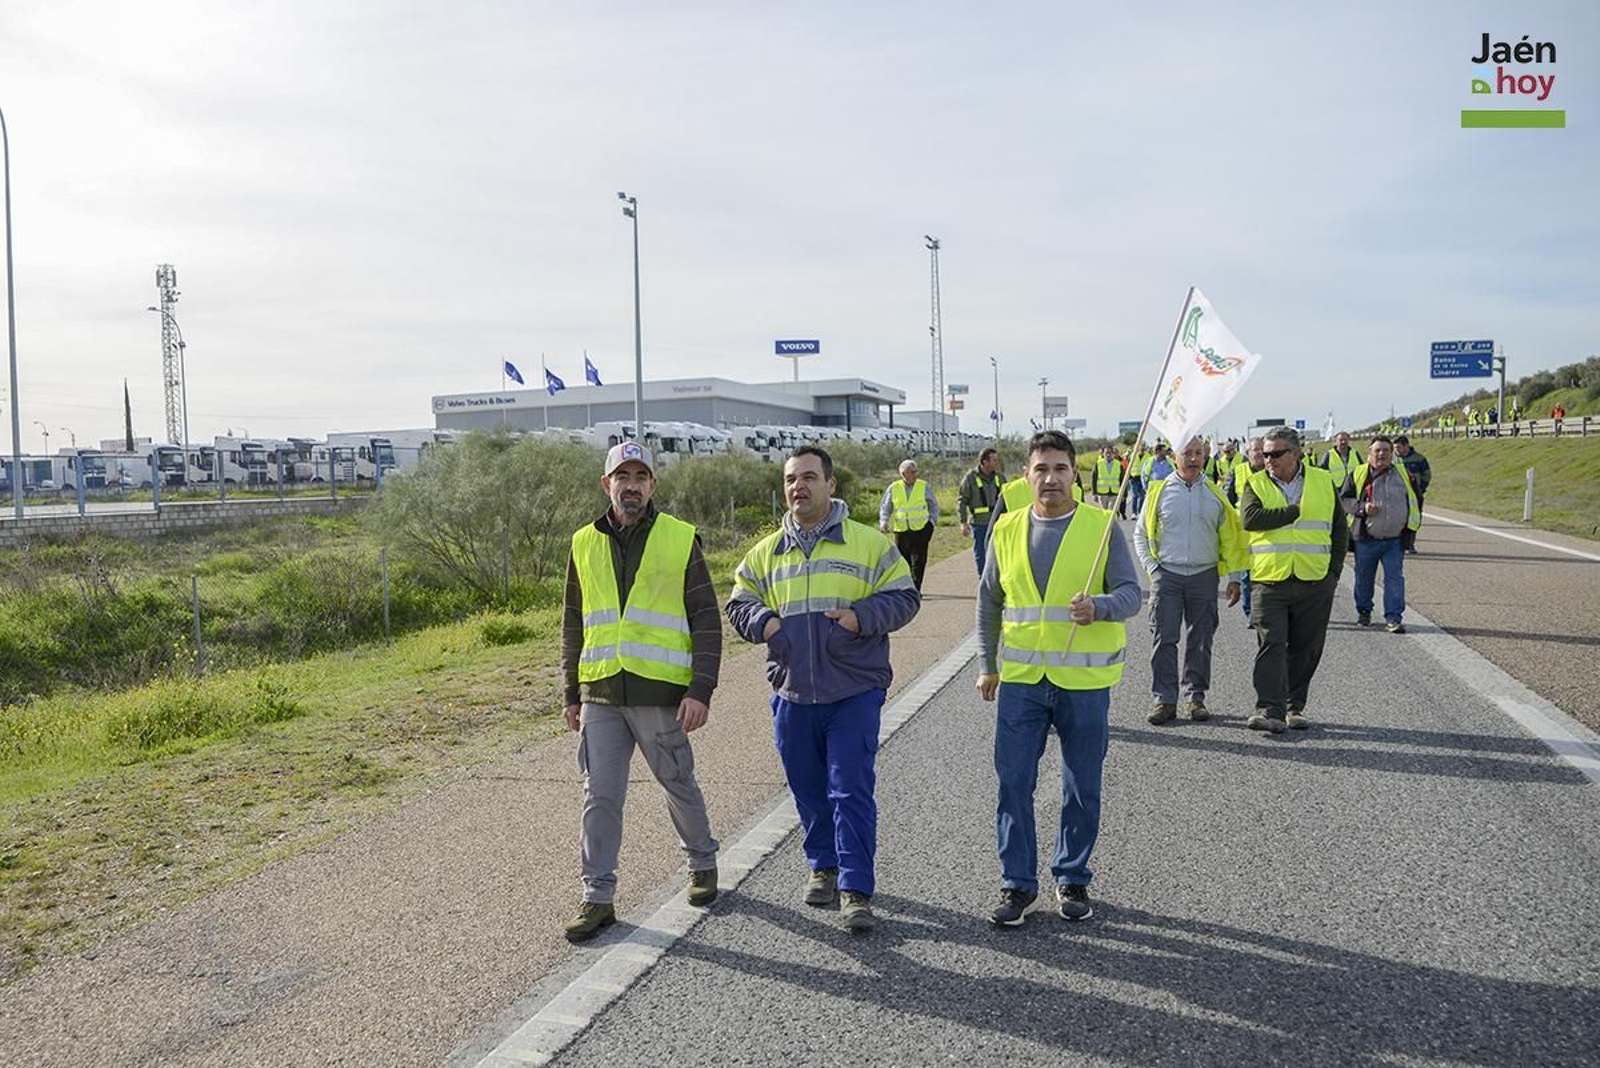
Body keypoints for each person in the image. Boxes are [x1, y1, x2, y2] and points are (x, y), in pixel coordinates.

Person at [729, 446, 921, 932]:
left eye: (810, 477)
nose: (799, 487)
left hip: (853, 689)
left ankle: (856, 889)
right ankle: (823, 866)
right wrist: (765, 623)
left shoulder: (868, 544)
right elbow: (738, 602)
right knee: (807, 787)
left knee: (849, 788)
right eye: (791, 479)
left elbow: (905, 597)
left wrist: (861, 617)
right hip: (792, 691)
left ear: (831, 485)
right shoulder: (765, 552)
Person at [975, 430, 1142, 927]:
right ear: (1026, 476)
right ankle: (1017, 884)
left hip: (1084, 683)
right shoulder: (1005, 529)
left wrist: (1101, 607)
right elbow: (989, 601)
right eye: (1041, 469)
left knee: (1081, 785)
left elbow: (1132, 594)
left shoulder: (1101, 527)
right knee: (1013, 782)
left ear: (1075, 474)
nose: (1050, 478)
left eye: (1060, 469)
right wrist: (987, 664)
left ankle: (1072, 876)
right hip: (1022, 681)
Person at [560, 441, 722, 942]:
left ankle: (702, 863)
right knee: (600, 797)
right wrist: (571, 691)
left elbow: (706, 617)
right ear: (606, 484)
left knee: (677, 781)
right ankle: (597, 897)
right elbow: (573, 621)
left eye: (640, 477)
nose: (631, 486)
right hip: (601, 693)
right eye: (622, 477)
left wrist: (701, 689)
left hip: (661, 693)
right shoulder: (583, 542)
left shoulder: (679, 538)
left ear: (653, 484)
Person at [1239, 427, 1349, 734]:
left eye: (1276, 453)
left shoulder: (1322, 481)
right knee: (1271, 643)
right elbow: (1250, 519)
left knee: (1306, 647)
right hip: (1269, 580)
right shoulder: (1255, 482)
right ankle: (1268, 709)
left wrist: (1333, 573)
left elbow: (1340, 529)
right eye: (1265, 454)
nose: (1268, 459)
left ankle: (1293, 706)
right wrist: (1292, 512)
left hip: (1314, 580)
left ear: (1296, 453)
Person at [1133, 436, 1248, 724]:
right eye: (1187, 453)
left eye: (1198, 453)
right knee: (1164, 638)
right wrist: (1153, 569)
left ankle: (1195, 698)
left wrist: (1235, 577)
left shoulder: (1215, 493)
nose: (1194, 458)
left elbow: (1231, 539)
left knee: (1201, 640)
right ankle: (1164, 700)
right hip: (1167, 575)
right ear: (1175, 456)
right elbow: (1140, 535)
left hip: (1204, 576)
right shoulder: (1158, 491)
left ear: (1205, 456)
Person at [1343, 436, 1420, 633]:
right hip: (1366, 539)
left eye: (1386, 450)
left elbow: (1416, 500)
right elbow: (1344, 500)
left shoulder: (1404, 474)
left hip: (1395, 540)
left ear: (1392, 454)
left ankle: (1393, 618)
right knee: (1364, 579)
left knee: (1394, 580)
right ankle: (1364, 611)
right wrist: (1362, 508)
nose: (1381, 454)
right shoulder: (1358, 474)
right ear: (1369, 453)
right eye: (1377, 450)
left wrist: (1410, 530)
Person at [879, 459, 939, 590]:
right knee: (903, 562)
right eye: (912, 472)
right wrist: (884, 522)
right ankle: (907, 587)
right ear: (903, 474)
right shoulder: (894, 488)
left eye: (916, 471)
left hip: (921, 530)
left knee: (919, 561)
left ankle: (915, 589)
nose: (915, 474)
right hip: (901, 531)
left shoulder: (923, 486)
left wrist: (931, 523)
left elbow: (933, 506)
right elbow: (886, 507)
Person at [1229, 438, 1267, 621]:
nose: (1258, 453)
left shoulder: (1272, 472)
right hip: (1244, 533)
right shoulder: (1237, 472)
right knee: (1246, 576)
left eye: (1261, 449)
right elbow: (1228, 503)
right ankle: (1250, 612)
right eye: (1255, 450)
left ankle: (1263, 610)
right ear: (1248, 453)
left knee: (1265, 574)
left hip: (1267, 532)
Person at [958, 447, 1004, 576]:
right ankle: (983, 581)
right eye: (994, 460)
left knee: (1000, 554)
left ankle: (998, 582)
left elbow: (1008, 498)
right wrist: (963, 522)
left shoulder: (1000, 478)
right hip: (979, 524)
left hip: (998, 523)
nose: (996, 463)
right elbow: (962, 501)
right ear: (984, 462)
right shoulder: (970, 478)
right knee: (981, 555)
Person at [1393, 436, 1431, 553]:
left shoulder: (1419, 458)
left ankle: (1410, 544)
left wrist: (1420, 489)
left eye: (1398, 447)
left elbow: (1427, 475)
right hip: (1398, 495)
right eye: (1395, 448)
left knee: (1413, 520)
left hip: (1415, 495)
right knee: (1399, 519)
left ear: (1406, 446)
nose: (1396, 450)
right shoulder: (1393, 460)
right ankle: (1399, 543)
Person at [1319, 431, 1359, 499]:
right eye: (1341, 440)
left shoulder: (1355, 453)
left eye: (1345, 440)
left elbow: (1362, 468)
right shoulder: (1329, 454)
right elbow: (1322, 472)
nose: (1343, 442)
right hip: (1336, 490)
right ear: (1336, 441)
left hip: (1353, 488)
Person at [1090, 445, 1123, 513]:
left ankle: (1114, 519)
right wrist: (1094, 493)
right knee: (1104, 513)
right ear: (1103, 454)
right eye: (1106, 453)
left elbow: (1122, 479)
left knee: (1111, 512)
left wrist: (1124, 494)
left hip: (1115, 493)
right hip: (1102, 493)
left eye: (1110, 453)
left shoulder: (1118, 464)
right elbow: (1093, 478)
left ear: (1113, 454)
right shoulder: (1098, 464)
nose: (1108, 455)